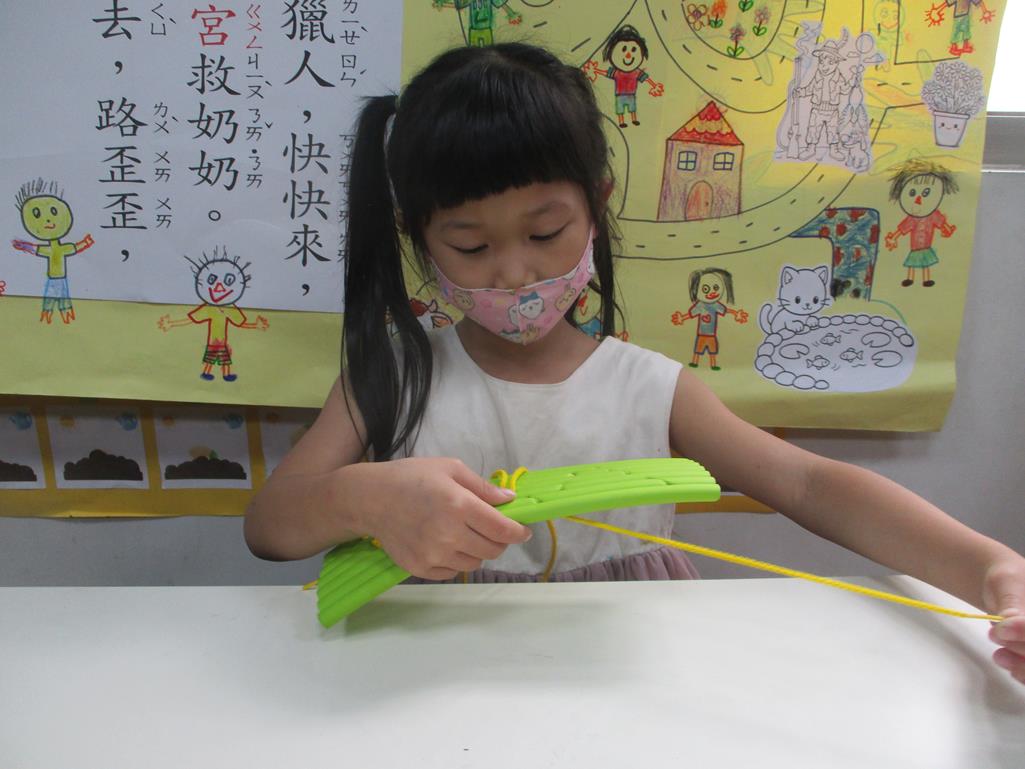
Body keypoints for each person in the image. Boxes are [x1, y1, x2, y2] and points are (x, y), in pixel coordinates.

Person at [244, 43, 1025, 684]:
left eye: (544, 233)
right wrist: (362, 500)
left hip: (624, 681)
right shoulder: (392, 378)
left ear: (597, 203)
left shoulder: (649, 386)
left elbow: (809, 484)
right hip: (429, 681)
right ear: (417, 236)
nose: (513, 271)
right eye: (470, 245)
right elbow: (270, 526)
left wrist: (994, 569)